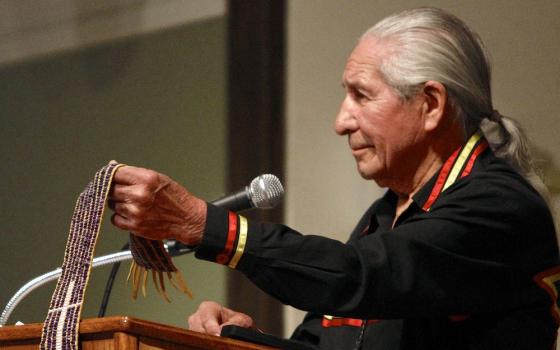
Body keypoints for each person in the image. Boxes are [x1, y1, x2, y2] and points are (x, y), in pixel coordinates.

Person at [109, 7, 559, 350]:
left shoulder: (498, 206)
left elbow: (358, 277)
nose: (341, 121)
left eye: (362, 96)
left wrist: (203, 224)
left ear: (431, 105)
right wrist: (242, 339)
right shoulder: (387, 212)